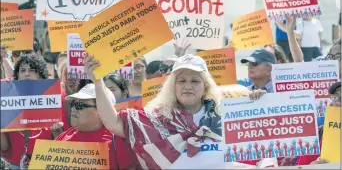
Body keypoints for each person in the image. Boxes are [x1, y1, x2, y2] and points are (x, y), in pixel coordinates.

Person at [84, 53, 265, 169]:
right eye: (182, 81)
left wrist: (260, 102)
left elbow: (262, 138)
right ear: (173, 86)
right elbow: (113, 122)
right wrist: (98, 83)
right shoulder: (157, 118)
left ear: (206, 86)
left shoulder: (225, 115)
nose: (188, 86)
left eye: (194, 81)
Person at [55, 84, 137, 169]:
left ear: (101, 110)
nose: (73, 109)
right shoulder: (63, 137)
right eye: (73, 104)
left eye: (80, 105)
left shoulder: (118, 140)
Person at [0, 54, 53, 169]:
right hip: (13, 165)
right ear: (17, 76)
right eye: (22, 70)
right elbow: (4, 146)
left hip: (44, 164)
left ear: (41, 75)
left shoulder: (54, 99)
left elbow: (60, 140)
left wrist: (58, 131)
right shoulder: (7, 101)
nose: (26, 74)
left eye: (32, 70)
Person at [295, 81, 341, 166]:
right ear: (331, 104)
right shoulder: (317, 135)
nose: (340, 103)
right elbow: (301, 166)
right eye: (337, 98)